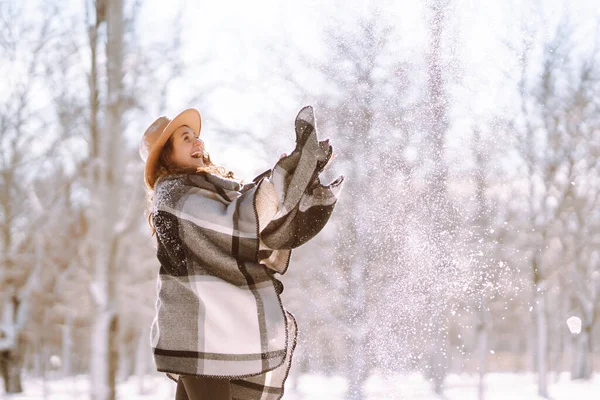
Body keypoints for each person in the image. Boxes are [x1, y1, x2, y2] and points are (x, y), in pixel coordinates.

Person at [139, 106, 343, 400]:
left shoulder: (195, 191)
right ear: (167, 157)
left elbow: (247, 206)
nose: (198, 143)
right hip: (205, 333)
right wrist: (285, 177)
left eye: (196, 136)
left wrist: (296, 174)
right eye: (186, 138)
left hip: (202, 331)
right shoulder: (175, 195)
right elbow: (238, 220)